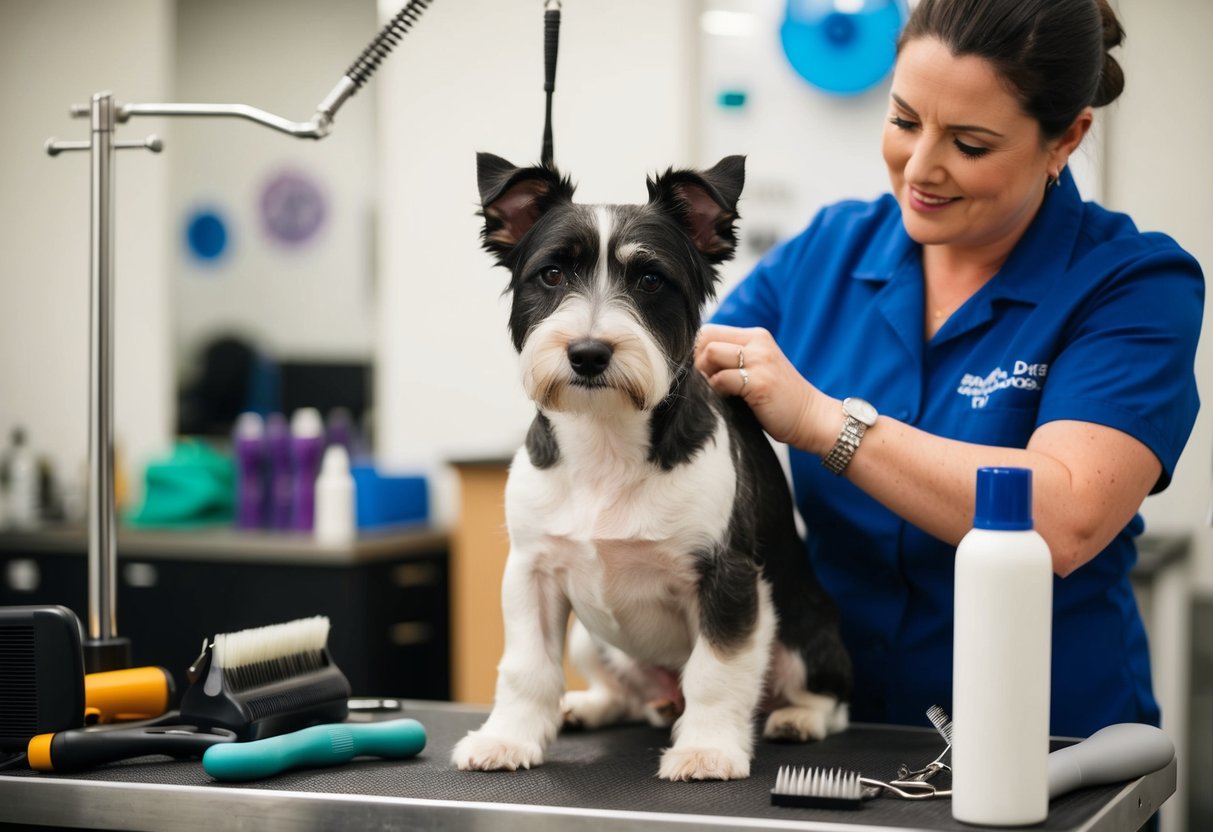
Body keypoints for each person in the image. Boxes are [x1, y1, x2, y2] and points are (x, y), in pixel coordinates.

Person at [694, 0, 1203, 739]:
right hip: (838, 726)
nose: (920, 168)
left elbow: (1064, 516)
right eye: (904, 121)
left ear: (1064, 138)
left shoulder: (1130, 284)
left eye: (968, 144)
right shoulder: (829, 251)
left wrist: (824, 424)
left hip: (1048, 738)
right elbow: (679, 388)